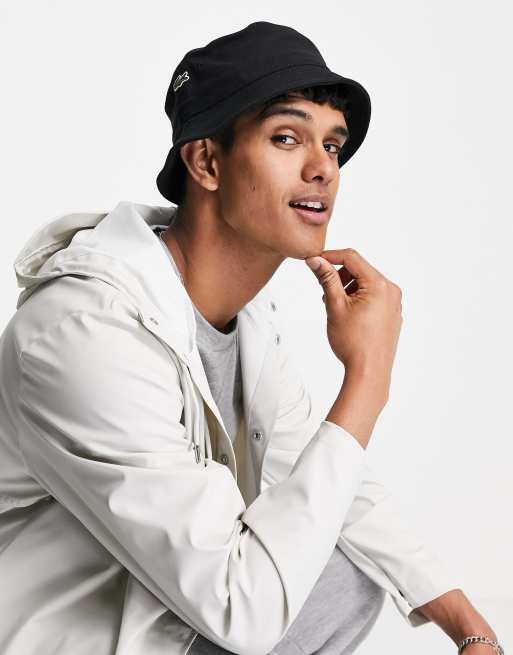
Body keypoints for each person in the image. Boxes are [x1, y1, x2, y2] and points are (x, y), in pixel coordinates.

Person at [0, 20, 503, 655]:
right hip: (67, 637)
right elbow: (241, 610)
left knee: (345, 570)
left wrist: (472, 632)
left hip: (169, 612)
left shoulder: (245, 323)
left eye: (334, 145)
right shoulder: (84, 333)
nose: (323, 169)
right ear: (206, 162)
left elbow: (337, 488)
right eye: (288, 138)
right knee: (292, 578)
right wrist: (368, 378)